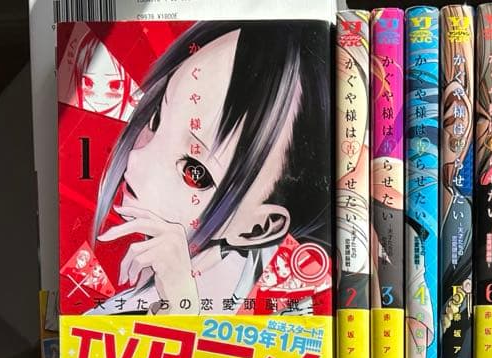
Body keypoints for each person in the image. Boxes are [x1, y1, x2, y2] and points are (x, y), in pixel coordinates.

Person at [88, 21, 330, 314]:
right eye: (156, 120)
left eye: (195, 172)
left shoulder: (281, 299)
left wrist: (181, 309)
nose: (138, 159)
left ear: (258, 228)